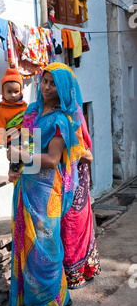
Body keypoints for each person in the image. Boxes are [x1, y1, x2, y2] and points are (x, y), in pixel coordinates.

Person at [7, 62, 86, 306]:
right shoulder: (32, 111)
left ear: (62, 88)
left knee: (45, 244)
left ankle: (47, 302)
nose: (46, 87)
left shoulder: (62, 121)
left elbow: (52, 159)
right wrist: (14, 165)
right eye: (44, 81)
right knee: (26, 240)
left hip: (46, 189)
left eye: (52, 83)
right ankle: (55, 294)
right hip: (26, 183)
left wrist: (22, 154)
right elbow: (21, 139)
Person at [61, 117, 101, 289]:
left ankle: (79, 272)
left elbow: (88, 156)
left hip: (75, 182)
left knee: (73, 224)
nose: (47, 88)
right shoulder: (36, 114)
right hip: (53, 181)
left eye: (53, 87)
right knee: (65, 226)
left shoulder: (73, 117)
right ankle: (68, 275)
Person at [0, 64, 28, 171]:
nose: (13, 95)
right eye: (9, 92)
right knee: (15, 155)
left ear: (21, 91)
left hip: (25, 134)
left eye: (16, 91)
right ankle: (13, 169)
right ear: (3, 91)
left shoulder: (24, 106)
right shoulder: (2, 109)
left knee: (29, 148)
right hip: (12, 136)